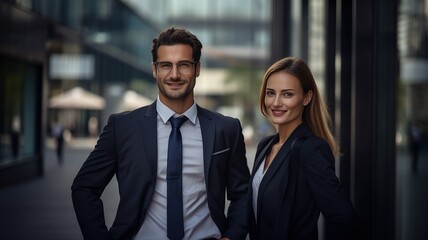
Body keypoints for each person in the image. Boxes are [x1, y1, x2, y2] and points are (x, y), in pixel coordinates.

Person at [71, 27, 250, 240]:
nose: (174, 75)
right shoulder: (122, 127)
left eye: (184, 65)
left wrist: (232, 237)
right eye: (166, 65)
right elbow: (84, 187)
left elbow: (243, 194)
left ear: (197, 68)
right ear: (155, 69)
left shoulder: (226, 129)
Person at [248, 57, 359, 239]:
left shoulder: (311, 149)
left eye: (287, 94)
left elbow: (345, 220)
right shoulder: (265, 146)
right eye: (270, 93)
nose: (276, 102)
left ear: (306, 97)